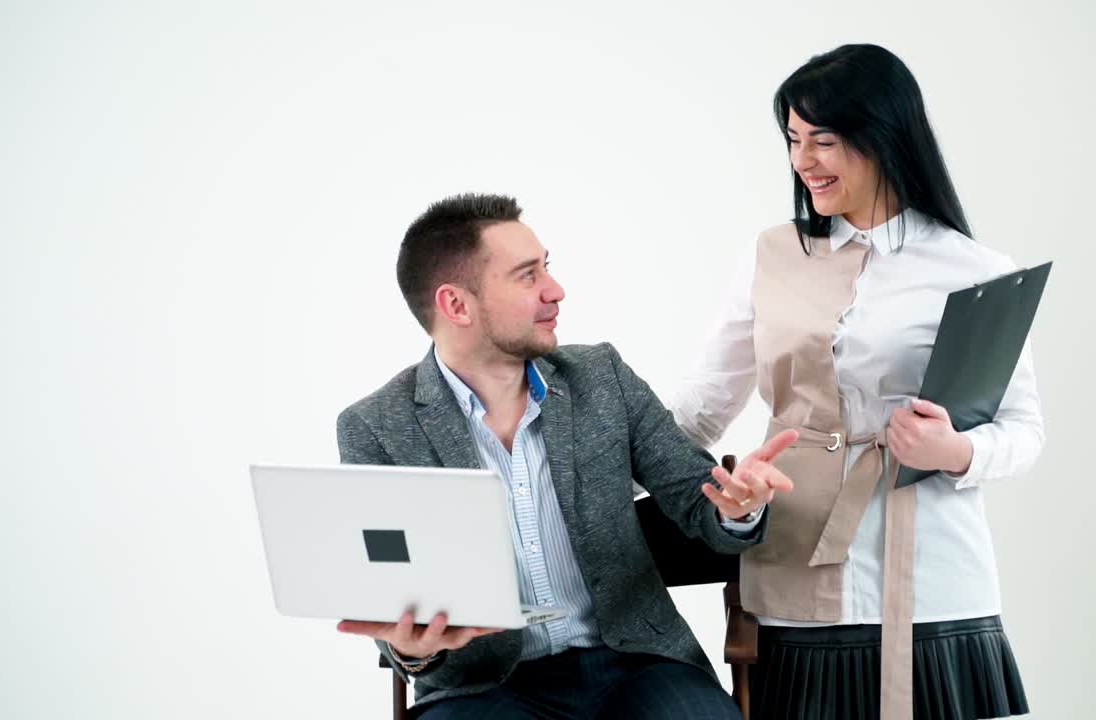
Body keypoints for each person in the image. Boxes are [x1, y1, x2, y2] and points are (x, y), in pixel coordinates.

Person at [670, 44, 1043, 720]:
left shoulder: (973, 267)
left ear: (884, 137)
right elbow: (701, 407)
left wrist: (955, 452)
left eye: (825, 140)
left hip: (934, 579)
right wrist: (597, 458)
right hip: (794, 567)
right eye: (793, 139)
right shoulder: (772, 254)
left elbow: (1023, 430)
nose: (802, 160)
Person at [336, 192, 799, 719]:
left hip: (637, 665)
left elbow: (700, 501)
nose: (555, 291)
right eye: (527, 275)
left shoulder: (602, 378)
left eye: (546, 269)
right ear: (456, 305)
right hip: (483, 686)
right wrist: (411, 651)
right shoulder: (375, 428)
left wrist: (737, 510)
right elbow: (391, 594)